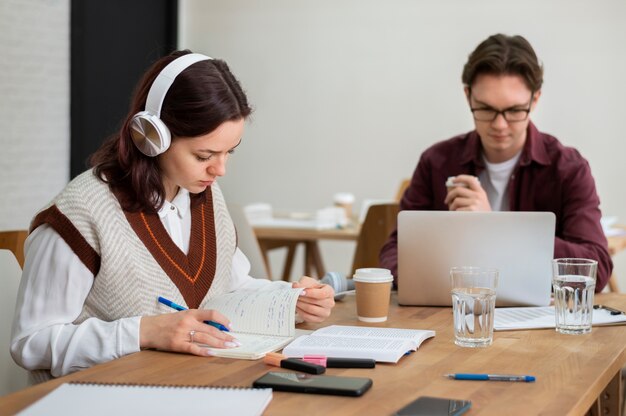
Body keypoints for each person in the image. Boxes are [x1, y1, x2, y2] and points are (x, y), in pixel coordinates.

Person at [11, 50, 335, 381]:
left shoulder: (203, 194)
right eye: (204, 155)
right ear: (152, 137)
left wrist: (289, 302)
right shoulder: (82, 213)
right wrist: (145, 332)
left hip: (186, 386)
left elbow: (232, 289)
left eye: (228, 152)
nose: (220, 169)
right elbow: (31, 342)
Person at [380, 34, 612, 291]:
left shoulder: (568, 168)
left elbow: (596, 268)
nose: (499, 125)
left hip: (537, 322)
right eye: (486, 109)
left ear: (534, 100)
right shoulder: (436, 161)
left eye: (514, 110)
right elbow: (395, 251)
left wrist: (495, 226)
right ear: (468, 97)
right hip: (454, 312)